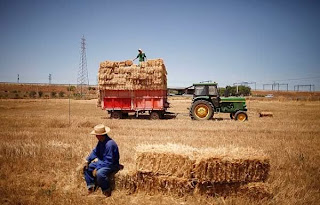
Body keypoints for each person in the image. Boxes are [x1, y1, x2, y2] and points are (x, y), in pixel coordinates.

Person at [83, 124, 122, 197]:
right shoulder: (101, 141)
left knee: (100, 173)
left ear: (101, 135)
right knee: (86, 168)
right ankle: (91, 187)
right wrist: (87, 160)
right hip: (102, 162)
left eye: (96, 135)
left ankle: (106, 190)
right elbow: (95, 152)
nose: (95, 136)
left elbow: (109, 161)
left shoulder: (110, 144)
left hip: (111, 164)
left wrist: (97, 167)